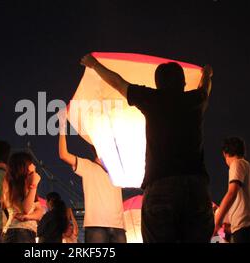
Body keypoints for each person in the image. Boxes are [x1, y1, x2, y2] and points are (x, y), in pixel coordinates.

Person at [80, 53, 214, 242]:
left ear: (157, 84)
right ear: (184, 83)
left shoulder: (152, 99)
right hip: (196, 187)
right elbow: (205, 88)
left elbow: (118, 83)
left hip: (161, 186)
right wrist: (207, 73)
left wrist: (94, 64)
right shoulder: (195, 100)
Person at [58, 110, 126, 243]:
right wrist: (62, 125)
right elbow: (63, 154)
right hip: (96, 227)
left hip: (119, 227)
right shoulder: (88, 166)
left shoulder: (118, 171)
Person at [214, 137, 250, 243]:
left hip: (245, 228)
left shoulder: (237, 164)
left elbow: (232, 193)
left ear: (225, 153)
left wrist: (217, 222)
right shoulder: (249, 168)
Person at [2, 152, 43, 243]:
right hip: (18, 232)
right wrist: (34, 185)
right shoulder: (12, 184)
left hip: (26, 232)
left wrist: (28, 217)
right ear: (23, 167)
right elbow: (26, 209)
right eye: (31, 163)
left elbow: (39, 211)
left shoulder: (28, 185)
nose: (34, 165)